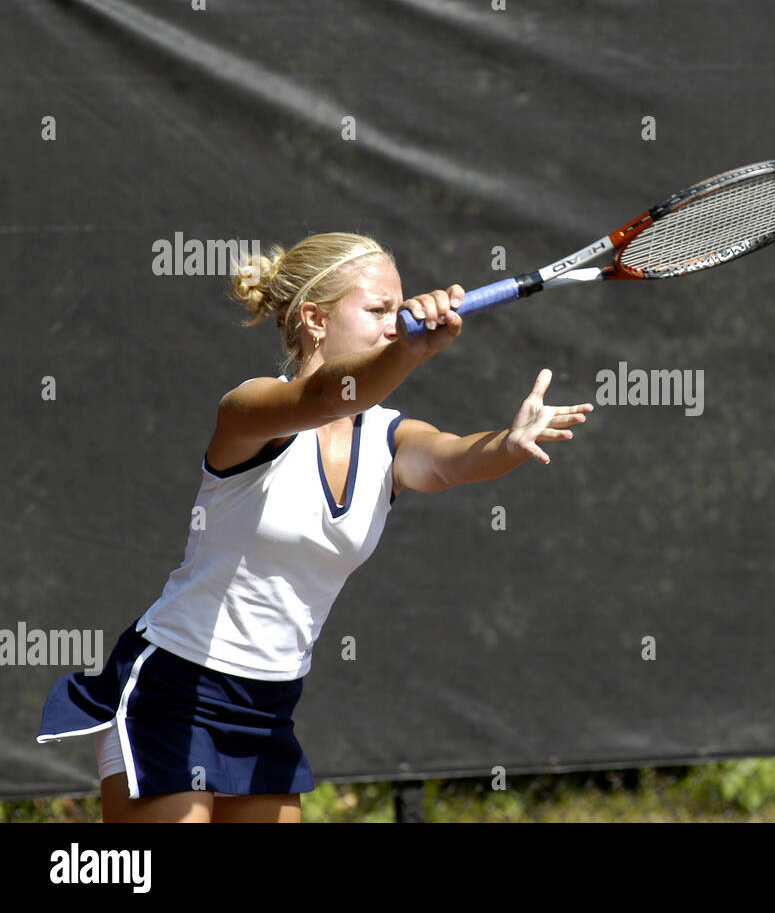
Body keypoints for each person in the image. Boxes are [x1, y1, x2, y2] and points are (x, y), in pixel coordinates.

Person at [36, 232, 593, 822]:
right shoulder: (253, 407)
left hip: (270, 703)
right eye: (379, 311)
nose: (394, 323)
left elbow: (453, 460)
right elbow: (329, 394)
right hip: (175, 688)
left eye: (398, 311)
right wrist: (411, 348)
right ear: (313, 319)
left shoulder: (388, 437)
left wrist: (509, 442)